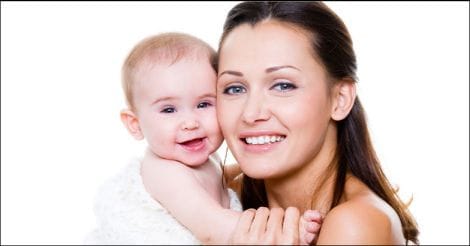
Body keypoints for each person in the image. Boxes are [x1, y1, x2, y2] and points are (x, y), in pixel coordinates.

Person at [85, 32, 321, 245]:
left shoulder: (206, 160)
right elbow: (213, 229)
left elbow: (223, 176)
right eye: (169, 110)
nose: (190, 122)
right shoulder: (166, 172)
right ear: (135, 124)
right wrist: (286, 230)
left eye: (203, 104)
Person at [216, 1, 420, 245]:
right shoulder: (223, 202)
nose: (250, 114)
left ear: (340, 99)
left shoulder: (355, 223)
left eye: (283, 85)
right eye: (234, 88)